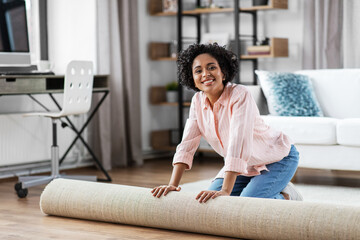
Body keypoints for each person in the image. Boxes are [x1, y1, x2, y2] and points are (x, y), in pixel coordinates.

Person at [151, 43, 302, 203]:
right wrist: (173, 185)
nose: (205, 74)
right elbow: (187, 144)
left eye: (211, 68)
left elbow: (239, 142)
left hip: (277, 158)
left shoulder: (239, 94)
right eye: (198, 70)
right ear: (192, 79)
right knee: (211, 203)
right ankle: (265, 187)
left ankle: (287, 195)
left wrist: (226, 190)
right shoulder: (197, 101)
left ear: (223, 72)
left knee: (246, 203)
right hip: (244, 166)